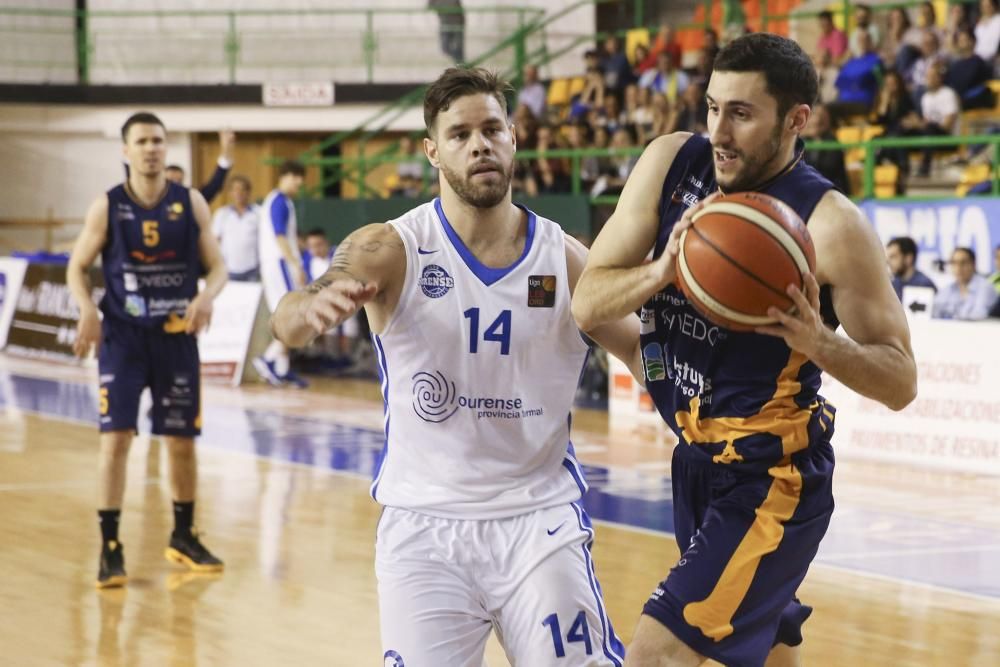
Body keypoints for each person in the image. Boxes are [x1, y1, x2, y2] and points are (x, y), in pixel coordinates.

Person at [270, 66, 640, 666]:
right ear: (432, 151)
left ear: (514, 138)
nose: (479, 144)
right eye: (461, 133)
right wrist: (312, 310)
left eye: (492, 129)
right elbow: (286, 319)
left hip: (537, 520)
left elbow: (643, 355)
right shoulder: (389, 248)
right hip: (425, 527)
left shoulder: (566, 258)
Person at [571, 33, 917, 667]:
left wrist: (820, 342)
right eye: (711, 106)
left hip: (773, 479)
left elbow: (900, 381)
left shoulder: (830, 226)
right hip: (697, 463)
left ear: (796, 120)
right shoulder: (671, 162)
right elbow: (588, 304)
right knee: (760, 654)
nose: (718, 130)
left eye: (741, 113)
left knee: (656, 652)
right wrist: (659, 272)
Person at [66, 111, 228, 589]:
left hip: (176, 337)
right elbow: (77, 267)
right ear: (126, 151)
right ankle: (110, 545)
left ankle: (183, 535)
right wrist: (86, 310)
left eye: (158, 140)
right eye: (142, 141)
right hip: (124, 339)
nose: (152, 148)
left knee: (181, 442)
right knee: (115, 440)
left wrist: (205, 296)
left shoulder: (190, 202)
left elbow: (218, 267)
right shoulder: (108, 206)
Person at [252, 160, 309, 388]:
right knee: (290, 315)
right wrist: (296, 264)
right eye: (295, 177)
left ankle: (282, 368)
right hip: (279, 263)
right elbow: (280, 236)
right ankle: (268, 358)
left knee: (287, 315)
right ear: (284, 176)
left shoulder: (278, 201)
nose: (299, 182)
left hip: (275, 262)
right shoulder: (279, 201)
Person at [164, 129, 236, 204]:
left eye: (179, 181)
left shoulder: (189, 201)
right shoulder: (152, 201)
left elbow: (214, 185)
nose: (175, 185)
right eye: (171, 181)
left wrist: (226, 150)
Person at [211, 175, 261, 281]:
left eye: (242, 189)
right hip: (228, 270)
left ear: (248, 192)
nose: (239, 193)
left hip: (252, 269)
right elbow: (215, 241)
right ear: (230, 193)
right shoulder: (222, 214)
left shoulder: (259, 213)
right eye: (235, 189)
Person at [933, 247, 998, 319]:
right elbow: (934, 311)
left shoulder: (985, 288)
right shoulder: (949, 289)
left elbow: (978, 317)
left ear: (973, 264)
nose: (958, 268)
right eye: (954, 263)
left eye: (963, 263)